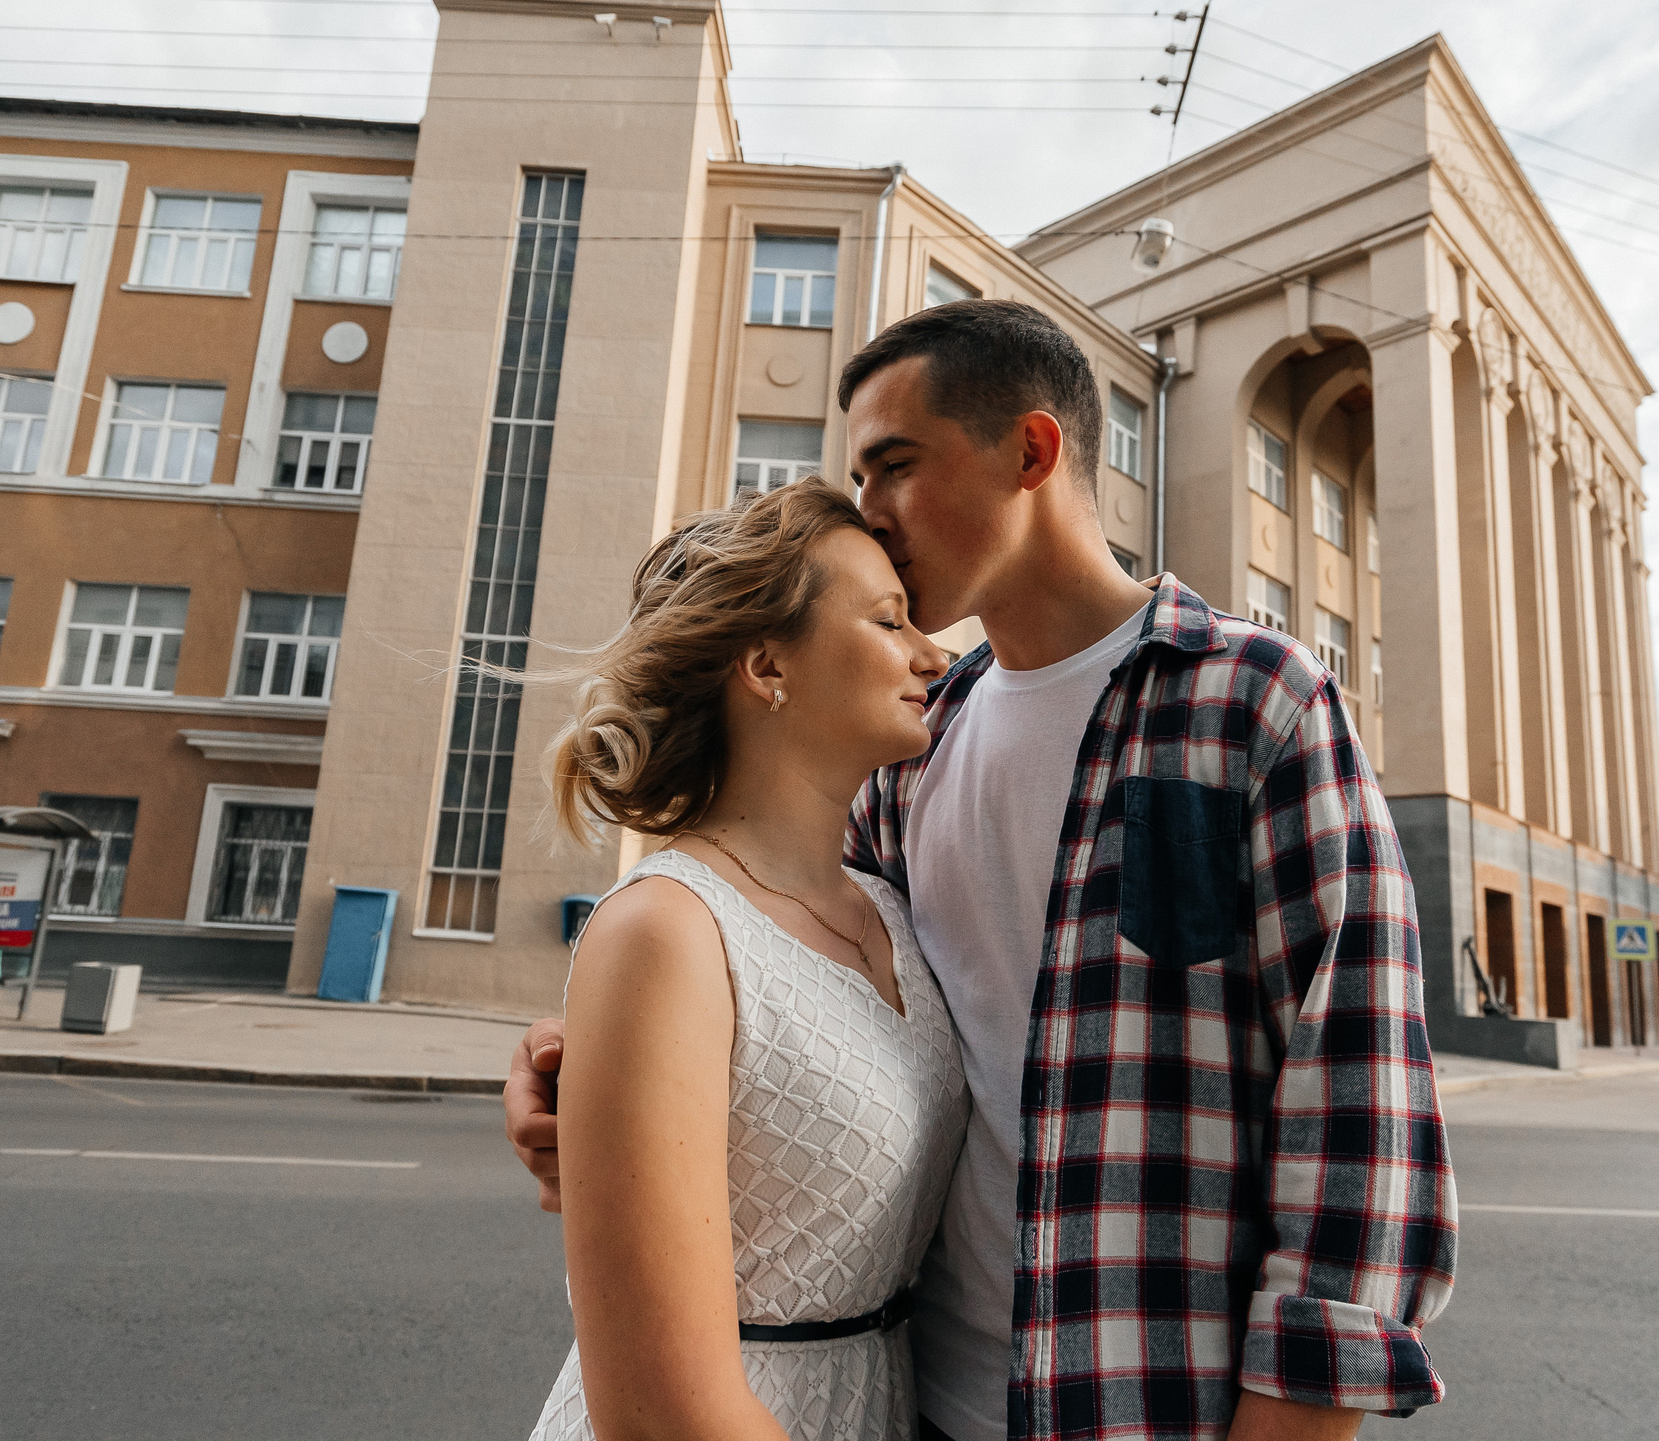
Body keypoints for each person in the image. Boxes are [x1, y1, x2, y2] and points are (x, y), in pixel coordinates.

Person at [512, 299, 1456, 1439]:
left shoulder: (1252, 701)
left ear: (1031, 451)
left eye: (895, 465)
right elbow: (787, 982)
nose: (871, 510)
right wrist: (582, 1062)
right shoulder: (913, 749)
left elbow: (1358, 1106)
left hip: (1148, 1409)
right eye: (859, 478)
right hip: (918, 1398)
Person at [521, 480, 967, 1441]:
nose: (934, 654)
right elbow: (661, 1415)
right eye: (889, 620)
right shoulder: (664, 930)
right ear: (767, 664)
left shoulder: (894, 908)